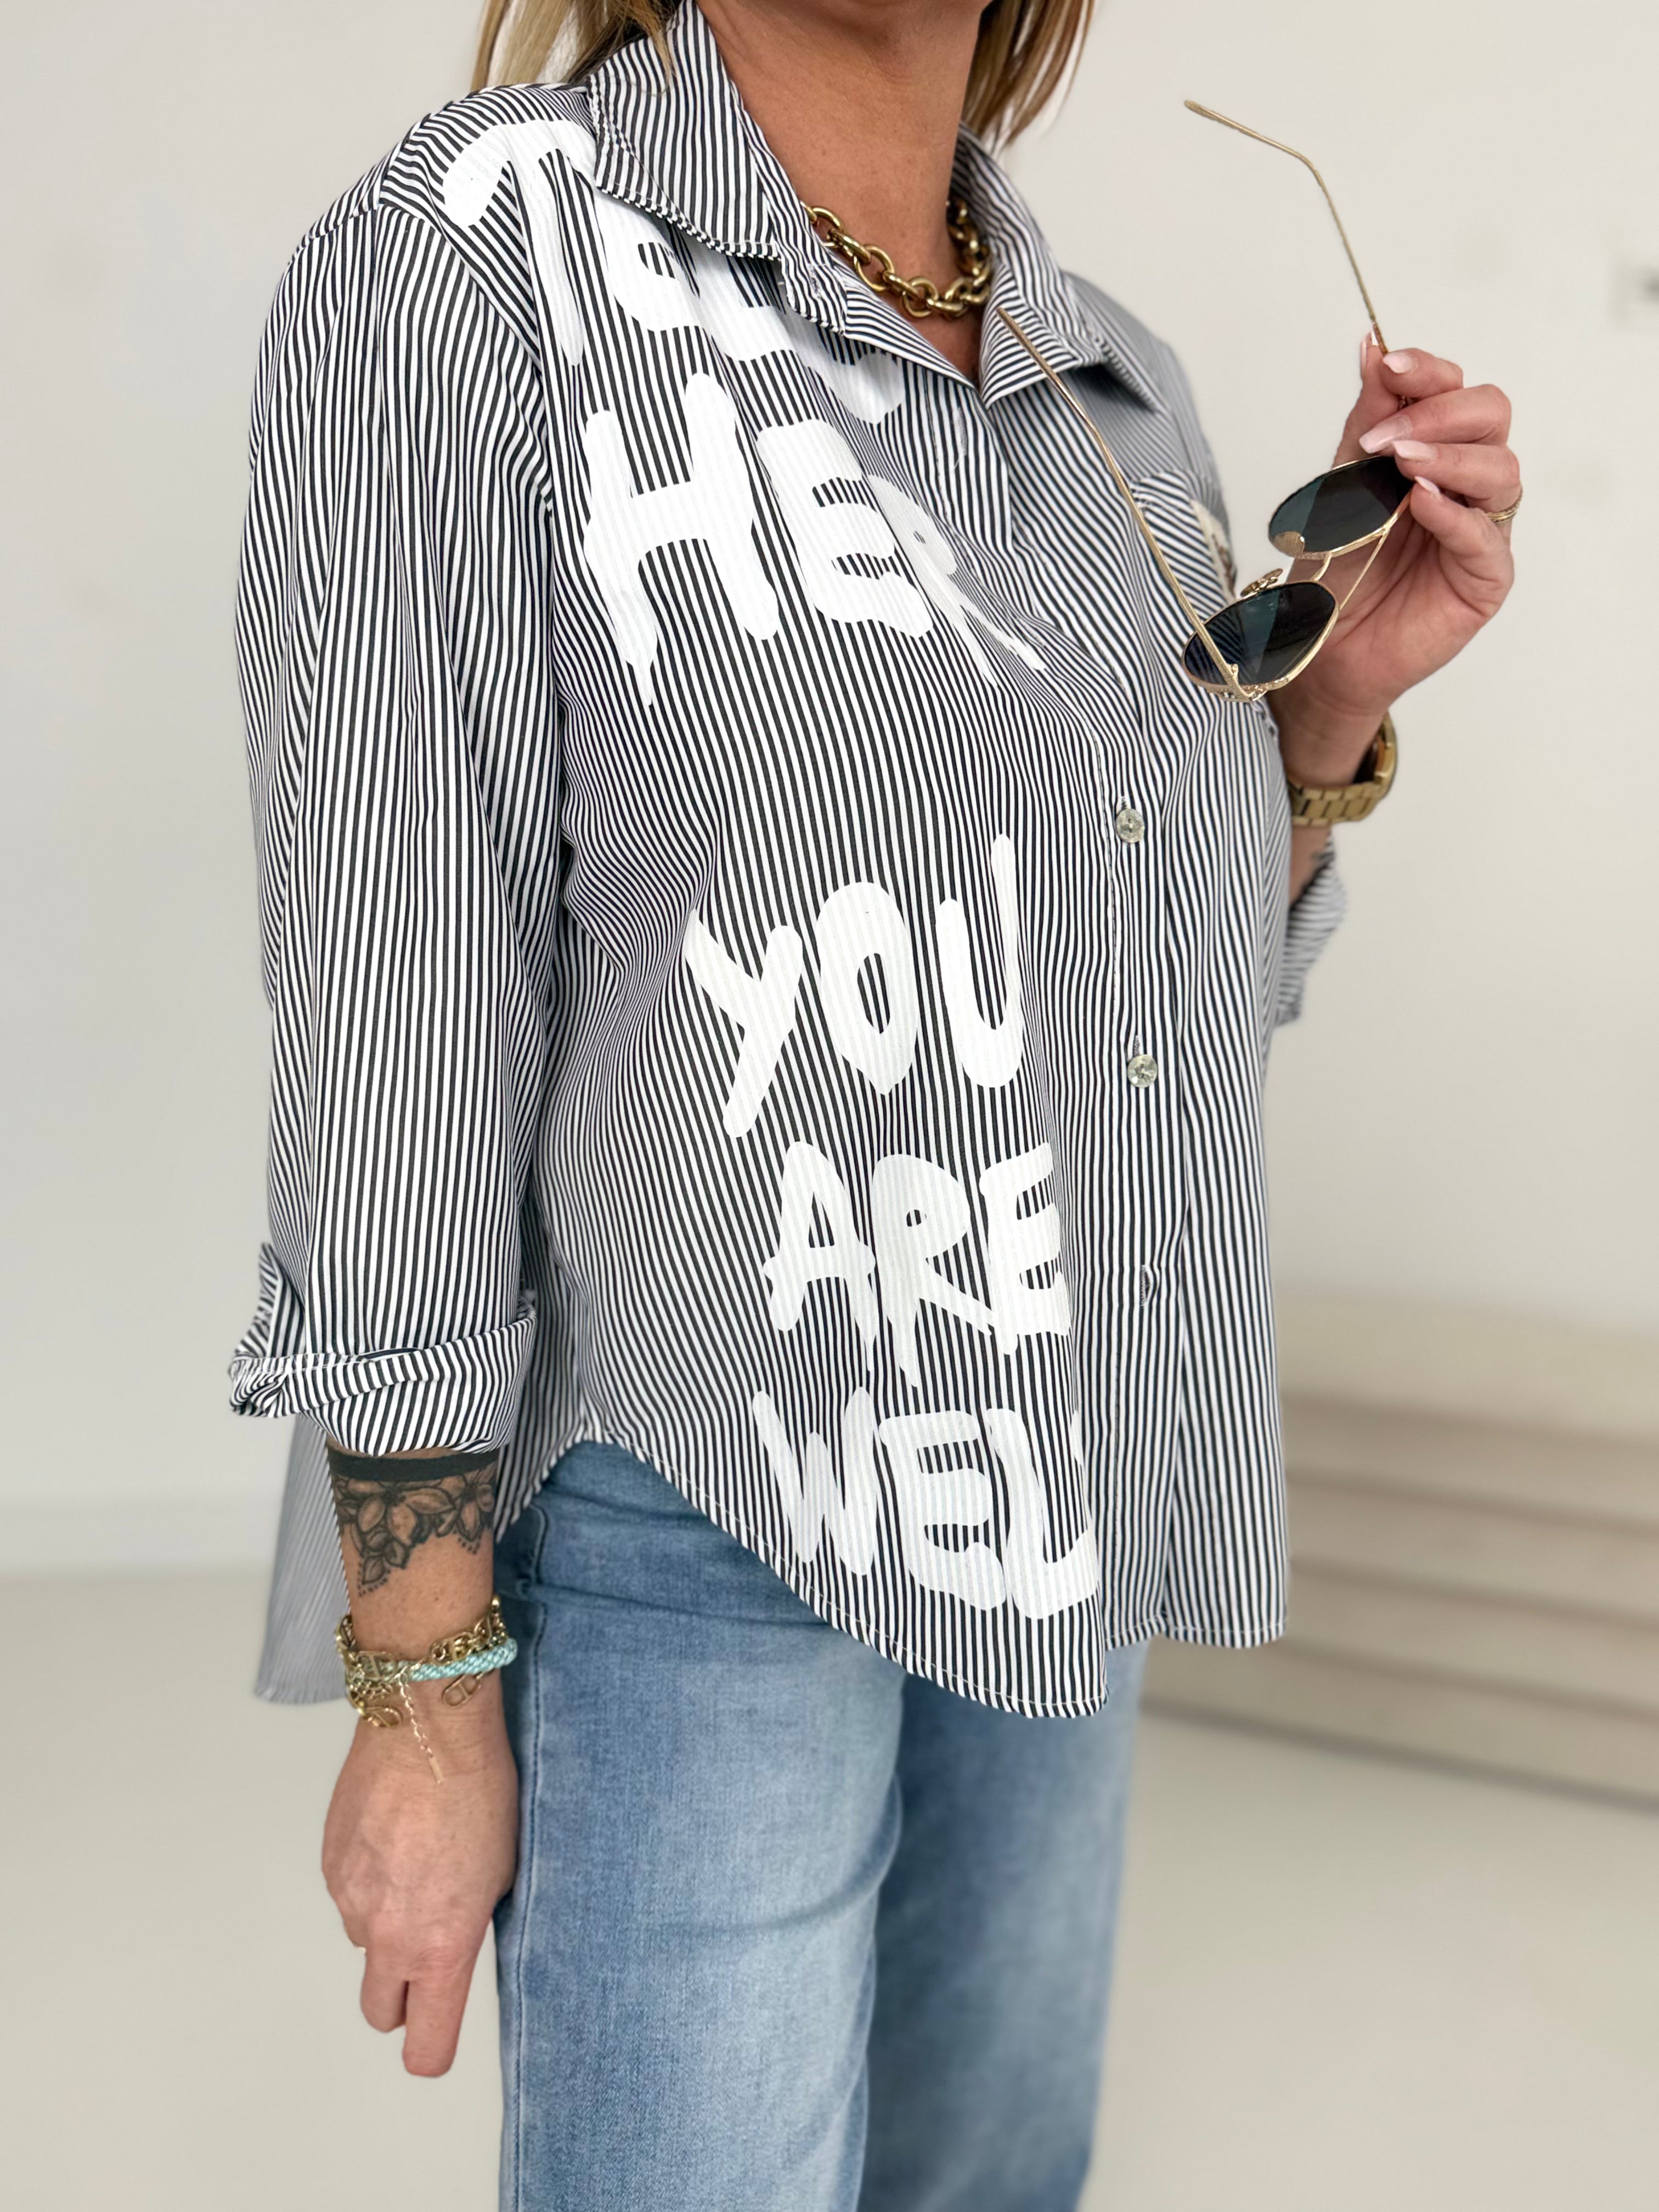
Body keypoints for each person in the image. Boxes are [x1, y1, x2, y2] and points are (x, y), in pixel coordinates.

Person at [228, 2, 1519, 2204]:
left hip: (1066, 1474)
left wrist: (1318, 737)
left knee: (988, 2180)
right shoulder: (473, 262)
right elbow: (396, 1014)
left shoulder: (1115, 392)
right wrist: (425, 1694)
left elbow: (1148, 1016)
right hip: (697, 1495)